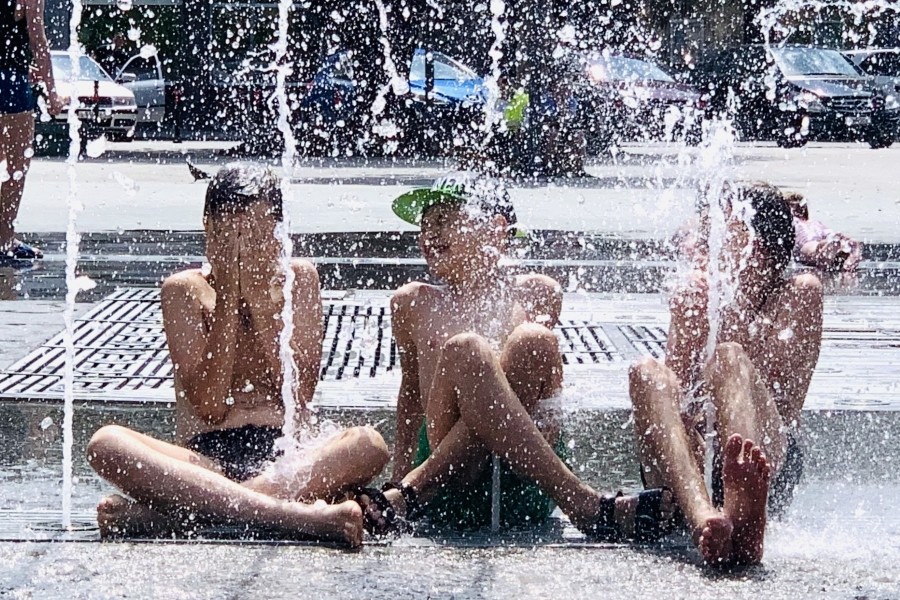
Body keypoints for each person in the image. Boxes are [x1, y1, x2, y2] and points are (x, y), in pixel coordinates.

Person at [86, 164, 389, 547]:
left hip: (288, 458)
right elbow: (210, 406)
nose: (247, 249)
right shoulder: (184, 290)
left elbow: (297, 397)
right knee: (105, 444)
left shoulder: (299, 280)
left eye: (259, 235)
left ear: (279, 232)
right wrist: (230, 293)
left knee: (368, 444)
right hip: (204, 462)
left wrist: (259, 299)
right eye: (232, 236)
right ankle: (296, 516)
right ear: (208, 229)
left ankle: (182, 517)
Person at [360, 171, 675, 539]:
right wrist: (398, 475)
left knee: (532, 340)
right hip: (449, 488)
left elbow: (535, 390)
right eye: (424, 225)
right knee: (466, 349)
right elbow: (412, 394)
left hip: (525, 478)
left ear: (495, 231)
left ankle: (412, 492)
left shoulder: (537, 293)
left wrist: (402, 493)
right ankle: (581, 501)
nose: (429, 234)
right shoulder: (412, 302)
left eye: (444, 221)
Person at [629, 181, 824, 566]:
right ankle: (704, 518)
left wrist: (730, 310)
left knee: (729, 357)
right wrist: (687, 319)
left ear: (759, 246)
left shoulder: (799, 293)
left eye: (720, 230)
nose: (705, 243)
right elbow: (677, 406)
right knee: (646, 373)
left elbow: (777, 396)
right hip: (690, 477)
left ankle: (746, 514)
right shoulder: (700, 295)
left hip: (764, 461)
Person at [1, 0, 62, 261]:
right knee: (16, 166)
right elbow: (38, 40)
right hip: (10, 84)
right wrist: (52, 93)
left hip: (12, 75)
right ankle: (4, 239)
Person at [783, 191, 863, 272]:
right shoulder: (816, 223)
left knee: (816, 249)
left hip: (809, 246)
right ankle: (844, 254)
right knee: (834, 241)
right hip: (821, 242)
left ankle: (827, 256)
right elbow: (829, 233)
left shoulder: (792, 221)